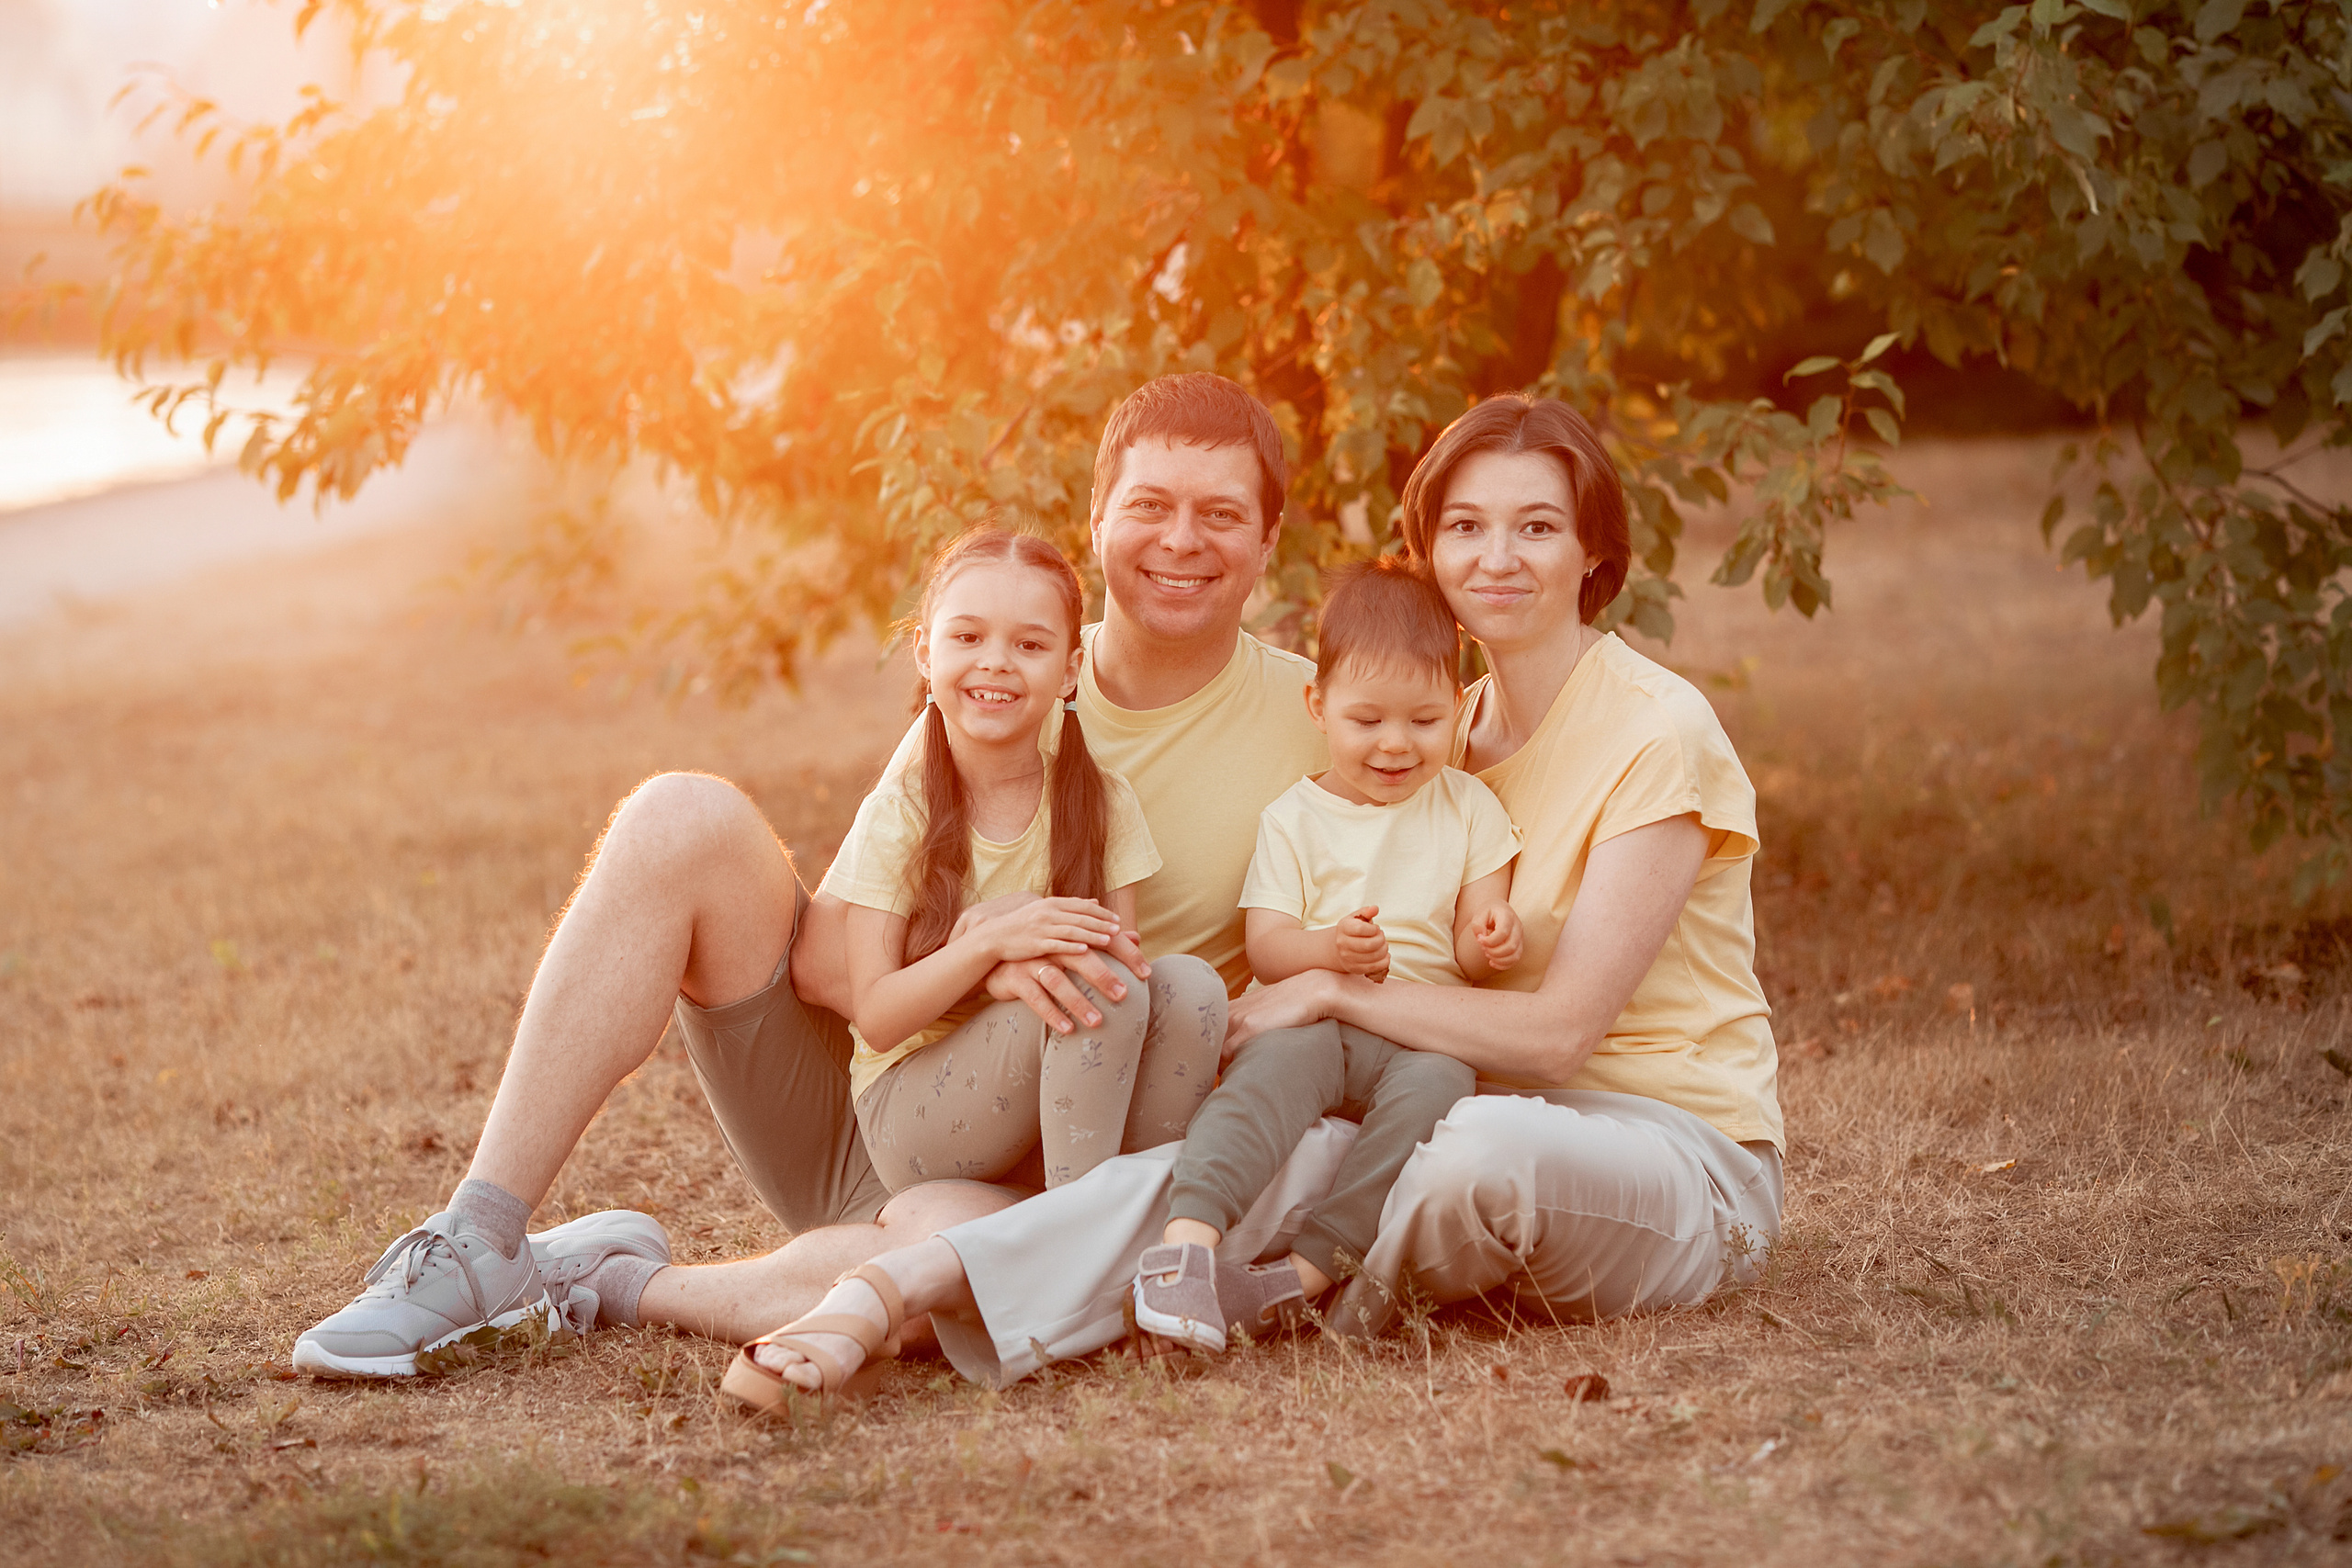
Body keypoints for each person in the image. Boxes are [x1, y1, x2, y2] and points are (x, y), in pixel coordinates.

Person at [716, 393, 1784, 1394]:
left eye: (1537, 528)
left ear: (1594, 549)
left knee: (1471, 1158)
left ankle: (1046, 1284)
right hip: (1448, 1100)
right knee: (1251, 1153)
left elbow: (1556, 1037)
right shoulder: (1426, 734)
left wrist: (1327, 994)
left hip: (1661, 1143)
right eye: (1464, 527)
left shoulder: (1655, 732)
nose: (1496, 558)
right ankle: (874, 1288)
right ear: (1428, 554)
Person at [291, 373, 1327, 1379]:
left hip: (1058, 1156)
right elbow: (834, 968)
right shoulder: (1002, 673)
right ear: (1098, 519)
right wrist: (987, 954)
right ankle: (478, 1232)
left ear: (1269, 541)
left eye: (1221, 514)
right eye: (1149, 505)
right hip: (883, 1101)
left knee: (941, 1271)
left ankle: (598, 1279)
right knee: (679, 814)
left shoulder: (1328, 720)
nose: (1183, 541)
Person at [1131, 558, 1521, 1353]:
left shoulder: (1472, 807)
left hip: (1420, 1033)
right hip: (1316, 1023)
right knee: (1265, 1077)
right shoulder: (1294, 818)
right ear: (1319, 705)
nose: (1395, 743)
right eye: (1367, 719)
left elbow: (1474, 938)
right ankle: (1188, 1245)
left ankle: (1301, 1275)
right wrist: (1329, 950)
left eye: (1424, 720)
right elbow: (1267, 947)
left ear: (1458, 705)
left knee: (1440, 1091)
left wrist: (1492, 938)